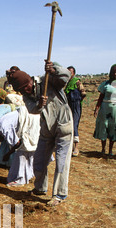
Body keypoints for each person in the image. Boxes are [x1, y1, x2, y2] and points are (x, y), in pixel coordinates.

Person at [10, 61, 73, 207]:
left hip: (63, 127)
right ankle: (40, 188)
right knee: (38, 161)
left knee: (62, 162)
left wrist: (54, 69)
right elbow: (32, 110)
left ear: (30, 80)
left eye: (26, 86)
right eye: (21, 90)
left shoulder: (47, 80)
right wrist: (39, 104)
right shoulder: (26, 95)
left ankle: (59, 194)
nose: (25, 90)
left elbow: (66, 76)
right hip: (46, 130)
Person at [94, 64, 116, 157]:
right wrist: (97, 108)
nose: (115, 73)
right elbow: (101, 97)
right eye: (114, 71)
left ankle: (110, 150)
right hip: (104, 108)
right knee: (103, 127)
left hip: (115, 109)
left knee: (113, 128)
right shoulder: (105, 84)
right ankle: (103, 149)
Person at [65, 66, 86, 156]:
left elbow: (83, 93)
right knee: (69, 125)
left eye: (71, 72)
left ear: (74, 73)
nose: (69, 74)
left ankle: (76, 147)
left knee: (74, 125)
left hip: (76, 106)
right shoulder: (66, 83)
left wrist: (78, 101)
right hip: (68, 106)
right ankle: (71, 147)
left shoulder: (77, 82)